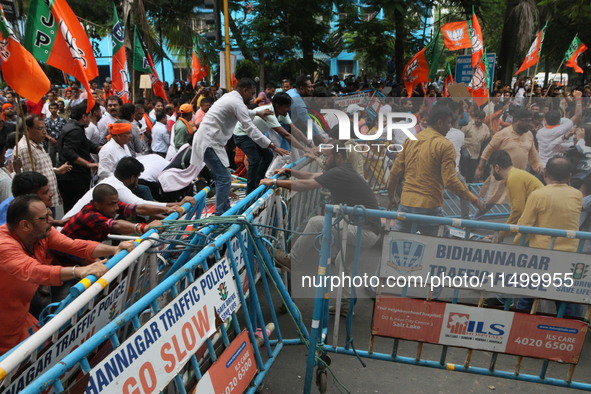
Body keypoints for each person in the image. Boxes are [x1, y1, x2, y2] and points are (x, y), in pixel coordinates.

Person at [0, 194, 135, 354]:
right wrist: (78, 271)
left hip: (20, 318)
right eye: (44, 218)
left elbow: (74, 245)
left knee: (41, 358)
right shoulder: (4, 245)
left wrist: (114, 249)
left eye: (49, 213)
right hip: (4, 327)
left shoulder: (40, 233)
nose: (51, 221)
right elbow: (32, 270)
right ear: (26, 225)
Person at [260, 145, 381, 272]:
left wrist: (274, 182)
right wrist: (291, 172)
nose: (323, 160)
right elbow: (312, 176)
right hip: (368, 230)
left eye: (327, 157)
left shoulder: (339, 172)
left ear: (338, 157)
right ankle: (343, 292)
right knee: (341, 265)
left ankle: (292, 260)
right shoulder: (343, 170)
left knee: (316, 222)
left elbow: (306, 185)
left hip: (365, 231)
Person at [191, 78, 288, 215]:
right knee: (224, 177)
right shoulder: (236, 102)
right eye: (252, 93)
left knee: (223, 177)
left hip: (210, 141)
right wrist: (272, 146)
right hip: (208, 142)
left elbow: (243, 111)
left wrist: (257, 113)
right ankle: (221, 213)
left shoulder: (230, 97)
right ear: (245, 90)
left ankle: (223, 209)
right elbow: (251, 129)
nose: (253, 97)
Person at [387, 105, 485, 236]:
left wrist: (391, 197)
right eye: (449, 123)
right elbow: (450, 181)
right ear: (439, 123)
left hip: (406, 203)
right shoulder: (444, 145)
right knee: (441, 246)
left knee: (396, 243)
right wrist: (474, 199)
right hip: (429, 206)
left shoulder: (411, 140)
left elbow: (394, 172)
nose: (450, 127)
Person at [515, 156, 583, 316]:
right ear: (570, 176)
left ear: (545, 173)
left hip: (541, 256)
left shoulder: (538, 195)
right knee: (566, 299)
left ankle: (519, 327)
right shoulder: (576, 195)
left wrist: (515, 244)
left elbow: (524, 226)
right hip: (569, 256)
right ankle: (569, 333)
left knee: (528, 296)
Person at [63, 156, 192, 219]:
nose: (137, 182)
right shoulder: (117, 188)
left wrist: (172, 208)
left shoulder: (112, 182)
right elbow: (141, 205)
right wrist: (175, 205)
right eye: (137, 178)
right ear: (131, 177)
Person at [475, 108, 543, 208]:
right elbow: (487, 151)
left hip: (519, 176)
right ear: (516, 121)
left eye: (530, 120)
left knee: (518, 203)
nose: (530, 124)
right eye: (526, 121)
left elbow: (533, 154)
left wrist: (539, 165)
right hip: (502, 175)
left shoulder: (529, 135)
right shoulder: (502, 134)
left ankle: (516, 222)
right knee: (490, 202)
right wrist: (480, 168)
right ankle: (473, 222)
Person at [233, 92, 295, 194]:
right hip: (242, 135)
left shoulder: (283, 113)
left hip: (255, 135)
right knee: (255, 160)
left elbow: (294, 130)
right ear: (278, 106)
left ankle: (259, 182)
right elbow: (286, 135)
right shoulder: (269, 113)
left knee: (268, 155)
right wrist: (305, 149)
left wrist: (308, 146)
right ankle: (251, 191)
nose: (289, 109)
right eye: (287, 107)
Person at [61, 184, 166, 242]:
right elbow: (114, 224)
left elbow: (137, 208)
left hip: (85, 248)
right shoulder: (90, 215)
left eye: (116, 203)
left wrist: (168, 209)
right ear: (97, 204)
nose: (116, 208)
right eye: (112, 204)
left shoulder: (107, 203)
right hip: (66, 257)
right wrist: (143, 227)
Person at [16, 115, 72, 210]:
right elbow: (30, 181)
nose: (44, 132)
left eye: (45, 128)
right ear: (28, 129)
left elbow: (41, 169)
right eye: (40, 128)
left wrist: (56, 170)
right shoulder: (26, 148)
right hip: (41, 204)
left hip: (51, 200)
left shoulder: (37, 144)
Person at [486, 150, 543, 241]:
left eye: (491, 169)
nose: (491, 172)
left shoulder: (513, 178)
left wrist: (501, 234)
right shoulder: (515, 174)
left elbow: (518, 210)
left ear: (497, 168)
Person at [57, 101, 100, 213]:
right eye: (90, 117)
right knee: (75, 209)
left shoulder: (75, 127)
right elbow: (68, 152)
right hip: (73, 177)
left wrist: (99, 148)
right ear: (84, 117)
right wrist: (88, 164)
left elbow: (85, 143)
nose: (90, 120)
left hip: (74, 177)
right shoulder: (75, 130)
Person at [535, 91, 583, 167]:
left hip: (541, 164)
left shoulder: (539, 132)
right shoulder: (560, 130)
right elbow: (578, 115)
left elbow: (558, 146)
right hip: (555, 165)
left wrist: (573, 144)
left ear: (546, 120)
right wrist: (578, 98)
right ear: (559, 121)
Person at [461, 110, 490, 182]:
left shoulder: (485, 128)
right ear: (475, 118)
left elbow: (486, 140)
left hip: (475, 153)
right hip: (466, 149)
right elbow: (461, 135)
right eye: (477, 118)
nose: (479, 120)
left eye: (481, 119)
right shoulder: (468, 125)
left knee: (471, 172)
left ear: (483, 119)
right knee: (465, 159)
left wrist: (491, 135)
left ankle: (469, 186)